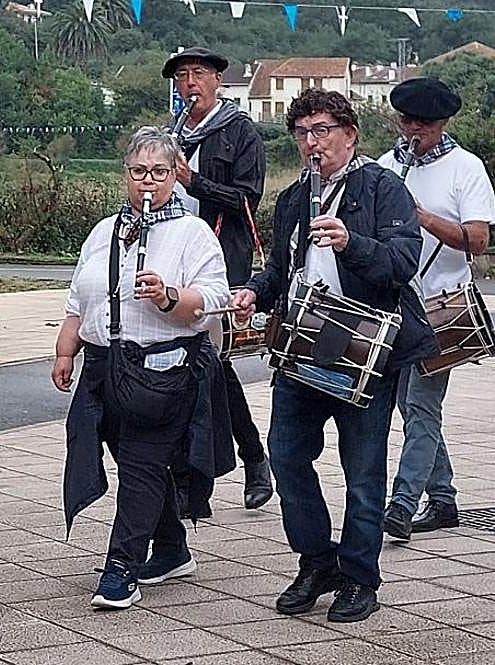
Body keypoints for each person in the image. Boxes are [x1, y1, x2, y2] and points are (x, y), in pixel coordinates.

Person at [232, 88, 435, 623]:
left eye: (322, 130)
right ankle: (317, 562)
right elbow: (282, 268)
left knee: (362, 472)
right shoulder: (297, 196)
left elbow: (401, 263)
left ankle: (360, 578)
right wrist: (256, 290)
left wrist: (351, 243)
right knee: (286, 456)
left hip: (369, 349)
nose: (311, 143)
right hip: (304, 348)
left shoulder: (383, 188)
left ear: (350, 133)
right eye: (302, 133)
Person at [53, 126, 234, 609]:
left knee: (141, 465)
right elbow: (78, 299)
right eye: (138, 172)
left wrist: (169, 296)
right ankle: (172, 549)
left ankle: (121, 568)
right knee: (128, 459)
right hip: (102, 370)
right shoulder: (103, 230)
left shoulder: (192, 233)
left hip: (163, 371)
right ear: (125, 176)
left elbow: (216, 299)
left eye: (158, 172)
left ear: (176, 174)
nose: (147, 182)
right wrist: (65, 351)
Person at [380, 78, 495, 541]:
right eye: (407, 120)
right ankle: (443, 498)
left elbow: (480, 240)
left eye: (423, 123)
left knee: (422, 406)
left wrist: (423, 217)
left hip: (443, 306)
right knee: (409, 408)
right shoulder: (388, 166)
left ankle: (403, 503)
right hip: (396, 304)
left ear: (442, 123)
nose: (413, 129)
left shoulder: (466, 168)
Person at [162, 46, 272, 512]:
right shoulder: (172, 134)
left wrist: (195, 182)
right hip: (172, 261)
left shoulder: (239, 130)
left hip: (220, 261)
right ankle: (229, 465)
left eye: (198, 75)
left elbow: (249, 200)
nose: (190, 84)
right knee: (196, 362)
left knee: (211, 360)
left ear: (217, 81)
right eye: (183, 76)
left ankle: (243, 461)